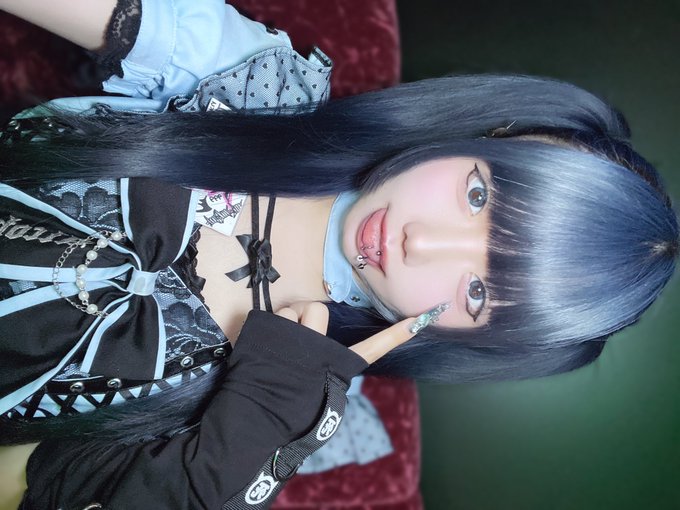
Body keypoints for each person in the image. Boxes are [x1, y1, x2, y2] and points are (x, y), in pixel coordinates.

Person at [0, 0, 678, 508]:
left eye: (477, 291)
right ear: (488, 135)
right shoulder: (256, 87)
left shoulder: (278, 408)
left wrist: (234, 447)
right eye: (478, 194)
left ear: (472, 337)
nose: (422, 243)